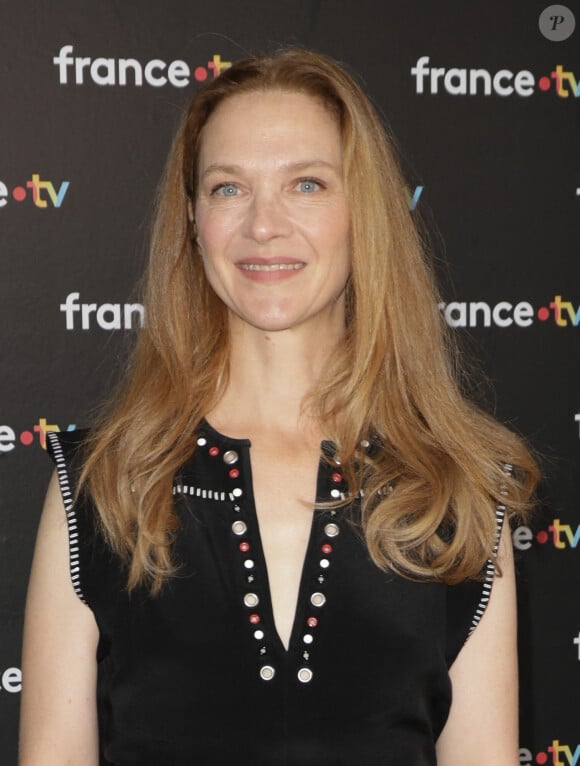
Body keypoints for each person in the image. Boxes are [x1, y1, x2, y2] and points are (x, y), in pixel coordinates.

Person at [19, 47, 538, 765]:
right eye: (229, 189)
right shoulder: (103, 480)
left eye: (306, 184)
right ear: (193, 219)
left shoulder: (456, 488)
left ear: (365, 213)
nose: (264, 225)